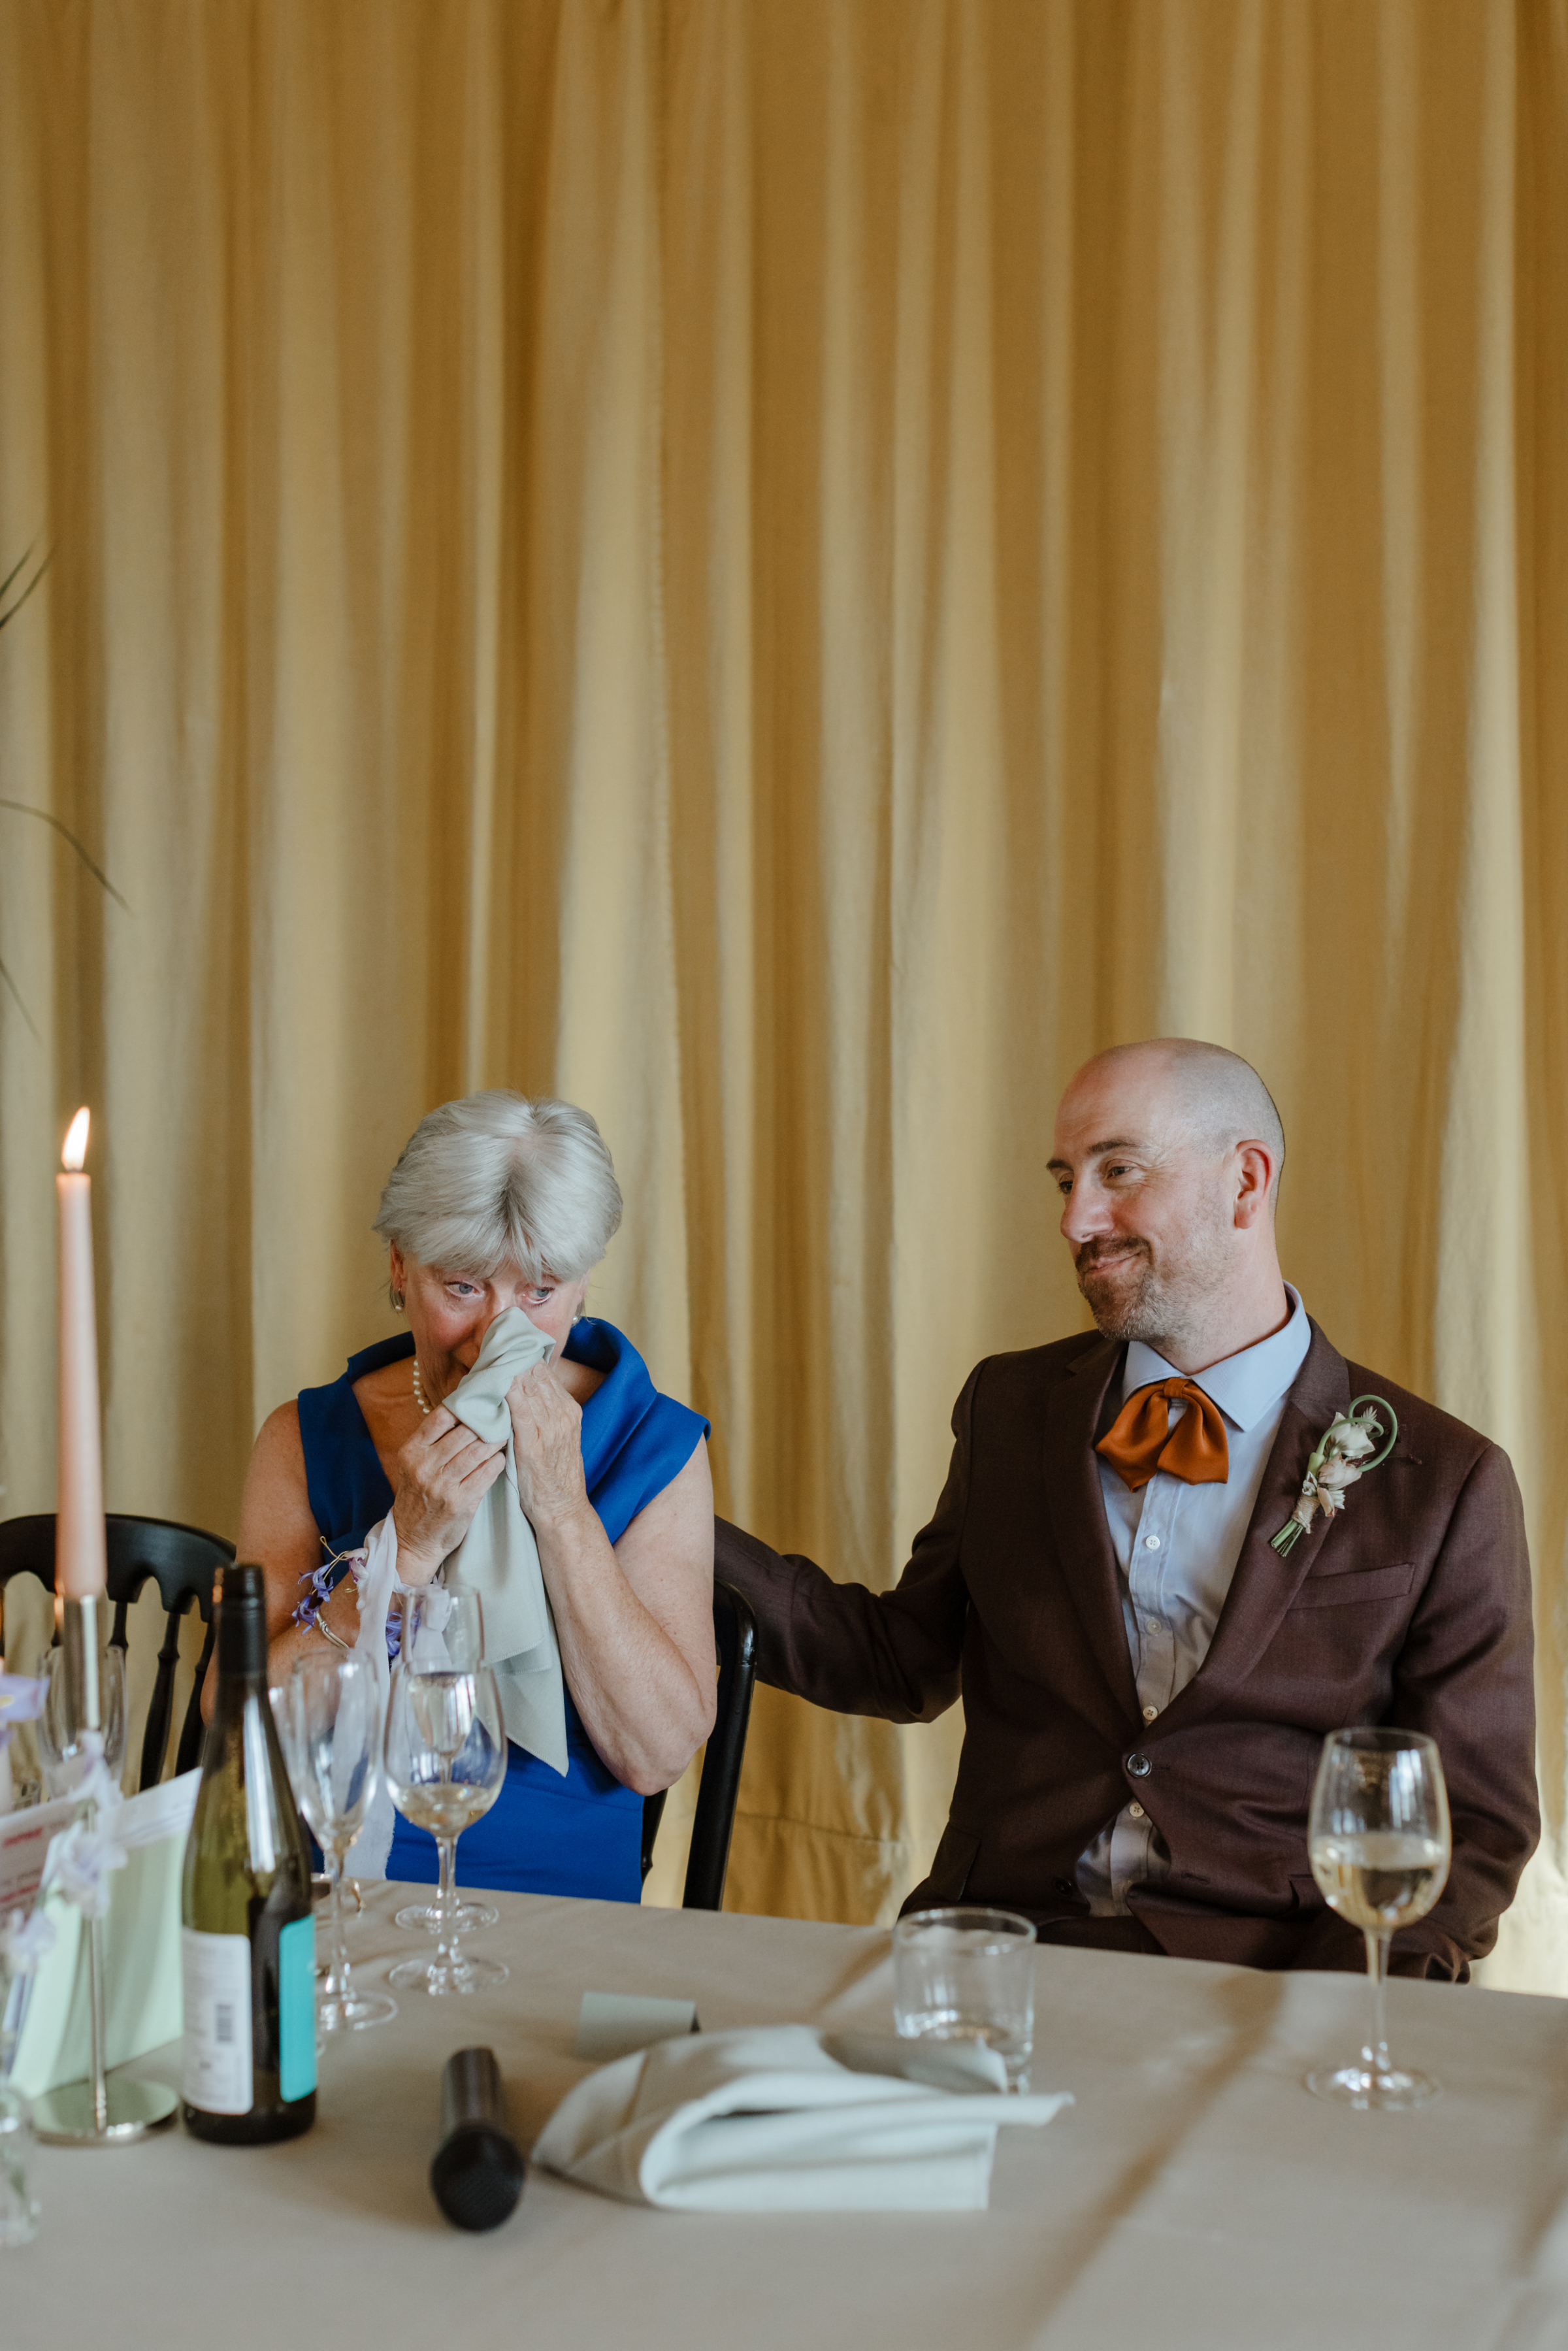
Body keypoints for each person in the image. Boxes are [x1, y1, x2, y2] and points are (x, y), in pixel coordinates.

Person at [715, 1039, 1539, 1975]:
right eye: (1066, 1179)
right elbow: (898, 1662)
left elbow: (1477, 1820)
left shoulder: (1445, 1478)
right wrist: (649, 1503)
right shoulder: (1009, 1407)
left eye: (1118, 1171)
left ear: (1245, 1183)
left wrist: (1341, 2010)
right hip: (997, 1953)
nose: (1076, 1219)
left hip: (1267, 1981)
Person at [229, 1091, 716, 1901]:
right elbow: (246, 1732)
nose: (499, 1337)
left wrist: (562, 1510)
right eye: (462, 1287)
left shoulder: (651, 1442)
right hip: (338, 1886)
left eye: (540, 1293)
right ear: (398, 1267)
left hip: (565, 1910)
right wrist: (404, 1551)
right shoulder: (307, 1436)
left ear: (584, 1283)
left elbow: (656, 1752)